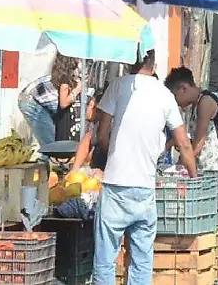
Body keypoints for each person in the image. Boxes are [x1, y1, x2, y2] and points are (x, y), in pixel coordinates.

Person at [90, 52, 197, 285]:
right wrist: (194, 177)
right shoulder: (166, 95)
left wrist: (117, 154)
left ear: (131, 61)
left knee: (105, 260)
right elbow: (184, 144)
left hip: (116, 185)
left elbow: (102, 134)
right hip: (145, 189)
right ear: (153, 64)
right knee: (141, 262)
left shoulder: (118, 86)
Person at [164, 67, 218, 172]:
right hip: (202, 167)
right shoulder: (193, 106)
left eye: (175, 96)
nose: (175, 102)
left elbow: (199, 142)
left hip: (215, 168)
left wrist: (181, 164)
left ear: (183, 88)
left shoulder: (205, 102)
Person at [20, 55, 82, 146]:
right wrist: (76, 91)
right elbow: (64, 103)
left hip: (39, 99)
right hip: (31, 101)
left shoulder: (70, 78)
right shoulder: (65, 80)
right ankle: (48, 157)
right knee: (50, 140)